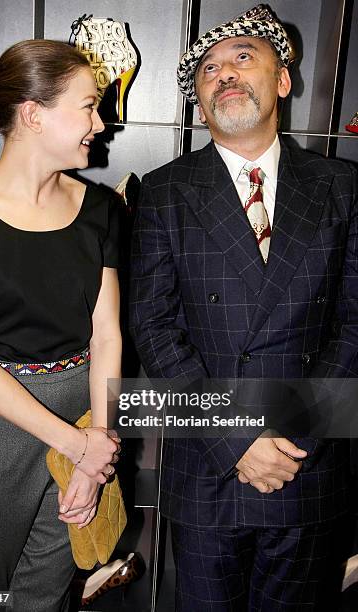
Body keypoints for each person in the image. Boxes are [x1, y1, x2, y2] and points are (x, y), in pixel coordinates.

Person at [129, 4, 357, 611]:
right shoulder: (163, 191)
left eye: (241, 59)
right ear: (200, 103)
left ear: (282, 81)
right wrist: (237, 441)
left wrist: (288, 438)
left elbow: (356, 325)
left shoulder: (343, 187)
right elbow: (153, 329)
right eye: (208, 71)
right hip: (209, 466)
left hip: (305, 461)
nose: (223, 74)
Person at [0, 39, 121, 611]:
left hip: (85, 407)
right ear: (33, 113)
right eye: (90, 105)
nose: (100, 122)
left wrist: (98, 439)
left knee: (49, 587)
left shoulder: (101, 210)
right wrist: (78, 446)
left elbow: (107, 336)